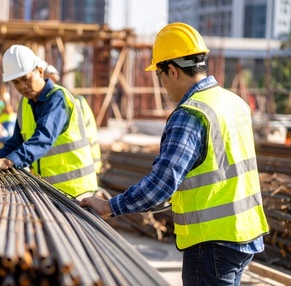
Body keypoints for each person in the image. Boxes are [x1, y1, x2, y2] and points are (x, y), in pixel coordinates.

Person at [80, 22, 269, 286]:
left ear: (172, 70)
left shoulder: (190, 114)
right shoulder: (234, 103)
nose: (163, 86)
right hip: (246, 233)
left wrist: (110, 206)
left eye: (160, 76)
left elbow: (162, 184)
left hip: (210, 241)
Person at [0, 45, 98, 199]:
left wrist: (9, 161)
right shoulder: (25, 103)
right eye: (16, 82)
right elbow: (16, 142)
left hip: (76, 191)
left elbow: (43, 138)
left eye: (26, 79)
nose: (22, 86)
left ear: (40, 72)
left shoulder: (57, 99)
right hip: (49, 190)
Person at [39, 60, 102, 173]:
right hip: (59, 174)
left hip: (81, 171)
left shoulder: (73, 103)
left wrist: (94, 169)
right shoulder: (43, 105)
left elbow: (90, 138)